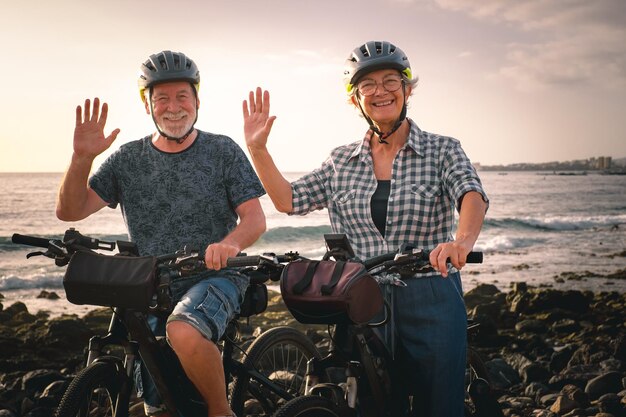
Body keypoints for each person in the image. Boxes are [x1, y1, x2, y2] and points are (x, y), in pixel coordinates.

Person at [242, 41, 489, 417]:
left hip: (430, 293)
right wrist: (258, 150)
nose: (381, 91)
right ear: (355, 100)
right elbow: (288, 200)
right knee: (371, 405)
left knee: (440, 404)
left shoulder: (442, 149)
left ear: (408, 89)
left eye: (391, 81)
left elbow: (471, 194)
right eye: (367, 86)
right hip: (363, 299)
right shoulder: (341, 161)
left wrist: (461, 241)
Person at [56, 50, 266, 417]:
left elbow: (254, 219)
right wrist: (81, 158)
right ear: (148, 105)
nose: (173, 107)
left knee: (183, 331)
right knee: (161, 406)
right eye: (162, 98)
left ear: (197, 100)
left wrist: (228, 244)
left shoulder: (222, 150)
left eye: (182, 96)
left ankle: (222, 412)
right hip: (149, 284)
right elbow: (70, 210)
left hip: (215, 276)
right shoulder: (127, 158)